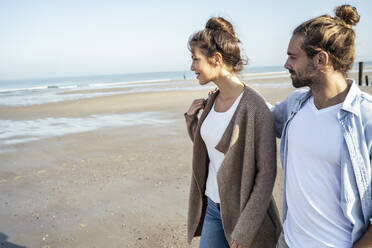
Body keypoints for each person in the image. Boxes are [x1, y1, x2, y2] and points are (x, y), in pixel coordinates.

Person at [272, 5, 372, 248]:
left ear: (320, 59)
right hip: (289, 242)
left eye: (293, 57)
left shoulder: (366, 118)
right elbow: (258, 115)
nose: (286, 64)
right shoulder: (295, 105)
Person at [184, 17, 282, 248]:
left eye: (195, 60)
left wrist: (246, 227)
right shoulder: (212, 99)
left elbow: (267, 174)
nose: (191, 67)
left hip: (242, 214)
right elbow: (210, 147)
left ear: (216, 59)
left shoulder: (254, 107)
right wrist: (191, 120)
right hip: (212, 208)